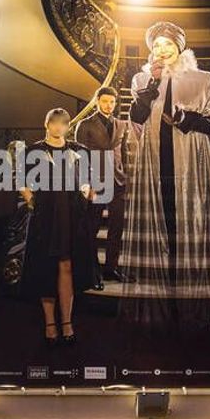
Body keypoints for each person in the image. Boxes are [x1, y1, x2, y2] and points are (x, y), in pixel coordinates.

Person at [123, 21, 210, 298]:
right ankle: (163, 277)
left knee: (189, 218)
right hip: (154, 160)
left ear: (179, 47)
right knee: (161, 215)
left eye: (168, 44)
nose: (162, 50)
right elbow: (136, 118)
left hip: (190, 163)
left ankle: (190, 276)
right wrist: (151, 84)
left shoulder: (203, 79)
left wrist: (184, 118)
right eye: (157, 45)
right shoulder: (141, 79)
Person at [17, 108, 99, 345]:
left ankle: (67, 322)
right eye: (54, 123)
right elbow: (20, 181)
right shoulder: (33, 151)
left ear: (67, 126)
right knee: (45, 267)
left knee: (67, 266)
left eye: (63, 124)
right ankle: (50, 323)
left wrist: (84, 195)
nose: (58, 127)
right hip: (46, 215)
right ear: (47, 124)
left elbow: (89, 180)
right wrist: (33, 201)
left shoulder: (79, 150)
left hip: (72, 216)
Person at [74, 86, 130, 285]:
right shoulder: (85, 124)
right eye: (105, 101)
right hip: (95, 183)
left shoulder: (121, 124)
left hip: (117, 181)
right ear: (97, 101)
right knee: (92, 227)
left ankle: (111, 268)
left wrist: (125, 174)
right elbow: (79, 158)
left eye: (112, 102)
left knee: (117, 227)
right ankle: (91, 272)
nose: (109, 105)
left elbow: (122, 153)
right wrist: (86, 184)